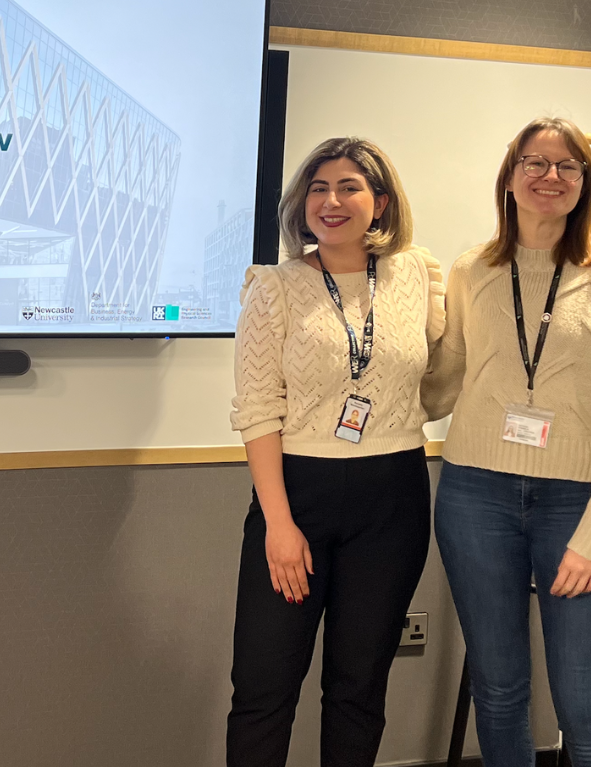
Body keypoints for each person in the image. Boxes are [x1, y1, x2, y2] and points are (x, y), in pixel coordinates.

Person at [423, 117, 591, 767]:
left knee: (588, 713)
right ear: (510, 175)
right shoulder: (472, 269)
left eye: (567, 166)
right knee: (498, 695)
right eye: (535, 163)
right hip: (475, 496)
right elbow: (442, 385)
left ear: (585, 182)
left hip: (576, 503)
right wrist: (393, 332)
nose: (550, 177)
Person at [227, 137, 445, 766]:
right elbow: (258, 410)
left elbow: (441, 373)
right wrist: (278, 525)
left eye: (349, 187)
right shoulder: (275, 287)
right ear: (301, 205)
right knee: (264, 690)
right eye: (318, 188)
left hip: (393, 497)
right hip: (297, 499)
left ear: (379, 202)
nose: (332, 200)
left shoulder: (415, 276)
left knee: (358, 689)